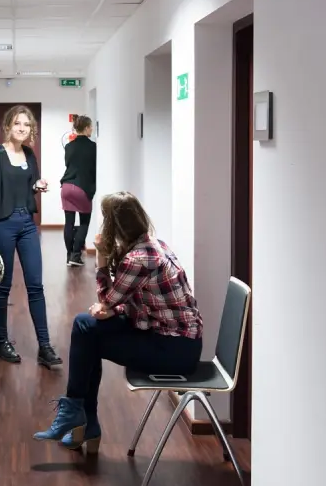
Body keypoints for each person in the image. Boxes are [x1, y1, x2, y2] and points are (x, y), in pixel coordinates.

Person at [33, 192, 203, 453]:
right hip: (170, 337)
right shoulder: (154, 244)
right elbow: (141, 300)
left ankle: (80, 417)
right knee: (85, 326)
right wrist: (116, 309)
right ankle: (79, 416)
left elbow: (106, 299)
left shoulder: (140, 258)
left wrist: (101, 258)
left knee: (88, 338)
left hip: (174, 350)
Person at [0, 104, 62, 369]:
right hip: (2, 225)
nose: (22, 128)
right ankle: (2, 342)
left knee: (36, 286)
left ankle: (44, 346)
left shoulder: (29, 154)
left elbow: (30, 185)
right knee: (3, 286)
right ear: (8, 126)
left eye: (26, 124)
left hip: (27, 224)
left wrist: (38, 185)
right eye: (17, 123)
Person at [61, 115, 96, 267]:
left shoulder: (69, 146)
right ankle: (76, 256)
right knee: (84, 222)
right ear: (87, 128)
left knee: (69, 223)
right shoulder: (93, 147)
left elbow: (68, 164)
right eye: (91, 126)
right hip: (82, 188)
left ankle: (69, 255)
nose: (92, 129)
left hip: (67, 187)